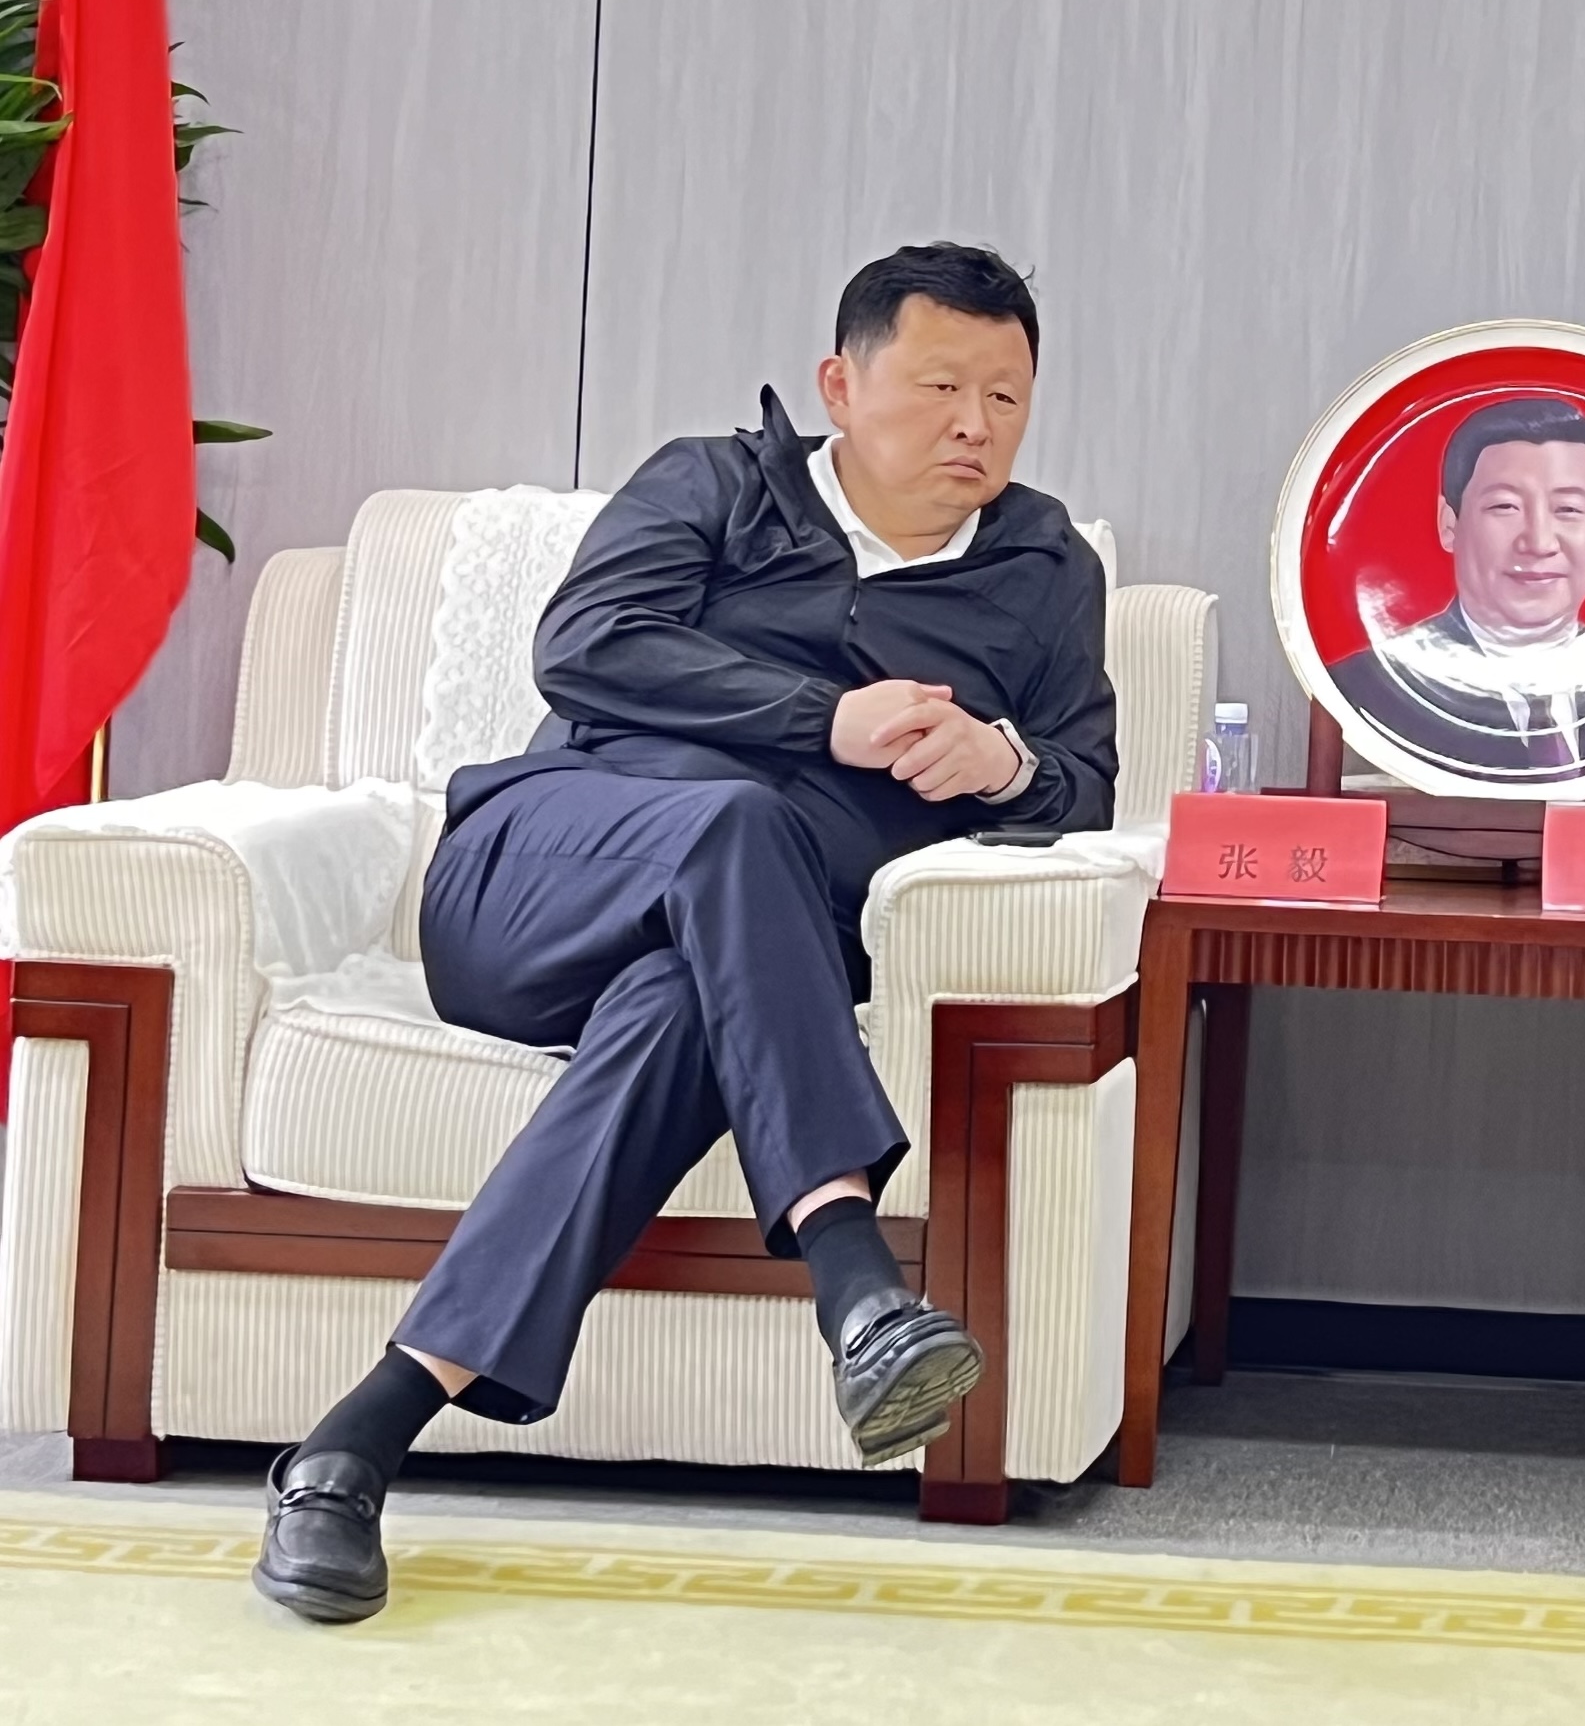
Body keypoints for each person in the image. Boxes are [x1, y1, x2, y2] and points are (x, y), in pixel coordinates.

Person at [254, 242, 1117, 1625]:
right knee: (732, 822)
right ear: (842, 384)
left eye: (1007, 396)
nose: (976, 424)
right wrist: (821, 720)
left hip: (748, 951)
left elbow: (1088, 777)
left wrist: (1003, 760)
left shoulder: (1041, 564)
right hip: (538, 880)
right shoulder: (716, 483)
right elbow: (584, 642)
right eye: (941, 384)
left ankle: (352, 1446)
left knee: (680, 1004)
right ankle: (853, 1273)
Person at [1325, 393, 1585, 782]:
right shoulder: (1367, 690)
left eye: (1568, 510)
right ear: (1449, 523)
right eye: (1505, 507)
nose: (1539, 542)